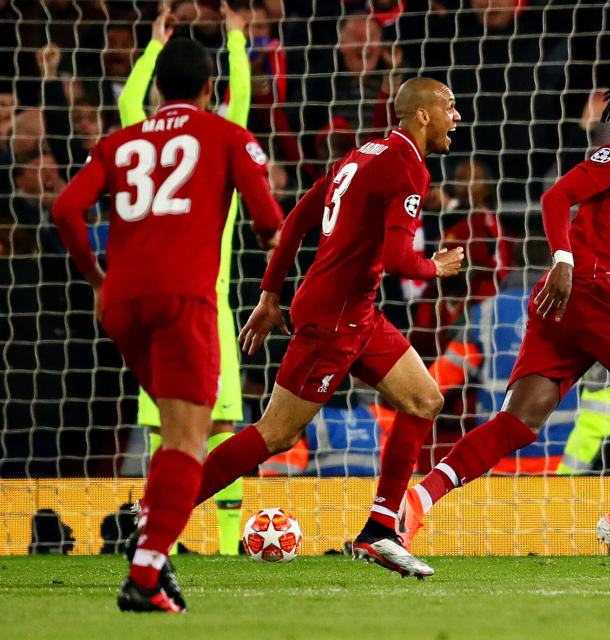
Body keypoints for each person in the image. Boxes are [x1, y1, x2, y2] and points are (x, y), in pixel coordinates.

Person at [395, 65, 610, 577]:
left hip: (577, 297)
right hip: (589, 292)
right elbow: (557, 197)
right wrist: (563, 260)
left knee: (519, 423)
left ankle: (419, 501)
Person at [184, 77, 464, 579]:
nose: (456, 116)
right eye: (450, 106)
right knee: (275, 433)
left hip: (356, 311)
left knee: (425, 399)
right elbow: (401, 259)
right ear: (421, 115)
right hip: (334, 319)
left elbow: (295, 220)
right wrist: (435, 268)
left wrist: (271, 297)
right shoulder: (406, 165)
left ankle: (379, 531)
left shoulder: (361, 155)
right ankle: (163, 506)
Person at [52, 37, 283, 612]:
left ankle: (153, 557)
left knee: (173, 435)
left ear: (156, 89)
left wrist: (95, 276)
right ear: (211, 90)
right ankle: (147, 570)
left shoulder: (118, 141)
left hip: (122, 304)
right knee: (189, 441)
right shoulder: (228, 135)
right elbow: (268, 223)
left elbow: (64, 210)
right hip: (186, 299)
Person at [118, 2, 252, 557]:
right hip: (206, 303)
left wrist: (153, 44)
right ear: (208, 87)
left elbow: (128, 101)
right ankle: (224, 543)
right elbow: (239, 106)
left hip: (150, 302)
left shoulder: (139, 139)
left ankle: (161, 546)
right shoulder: (222, 140)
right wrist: (239, 40)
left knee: (161, 433)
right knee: (220, 427)